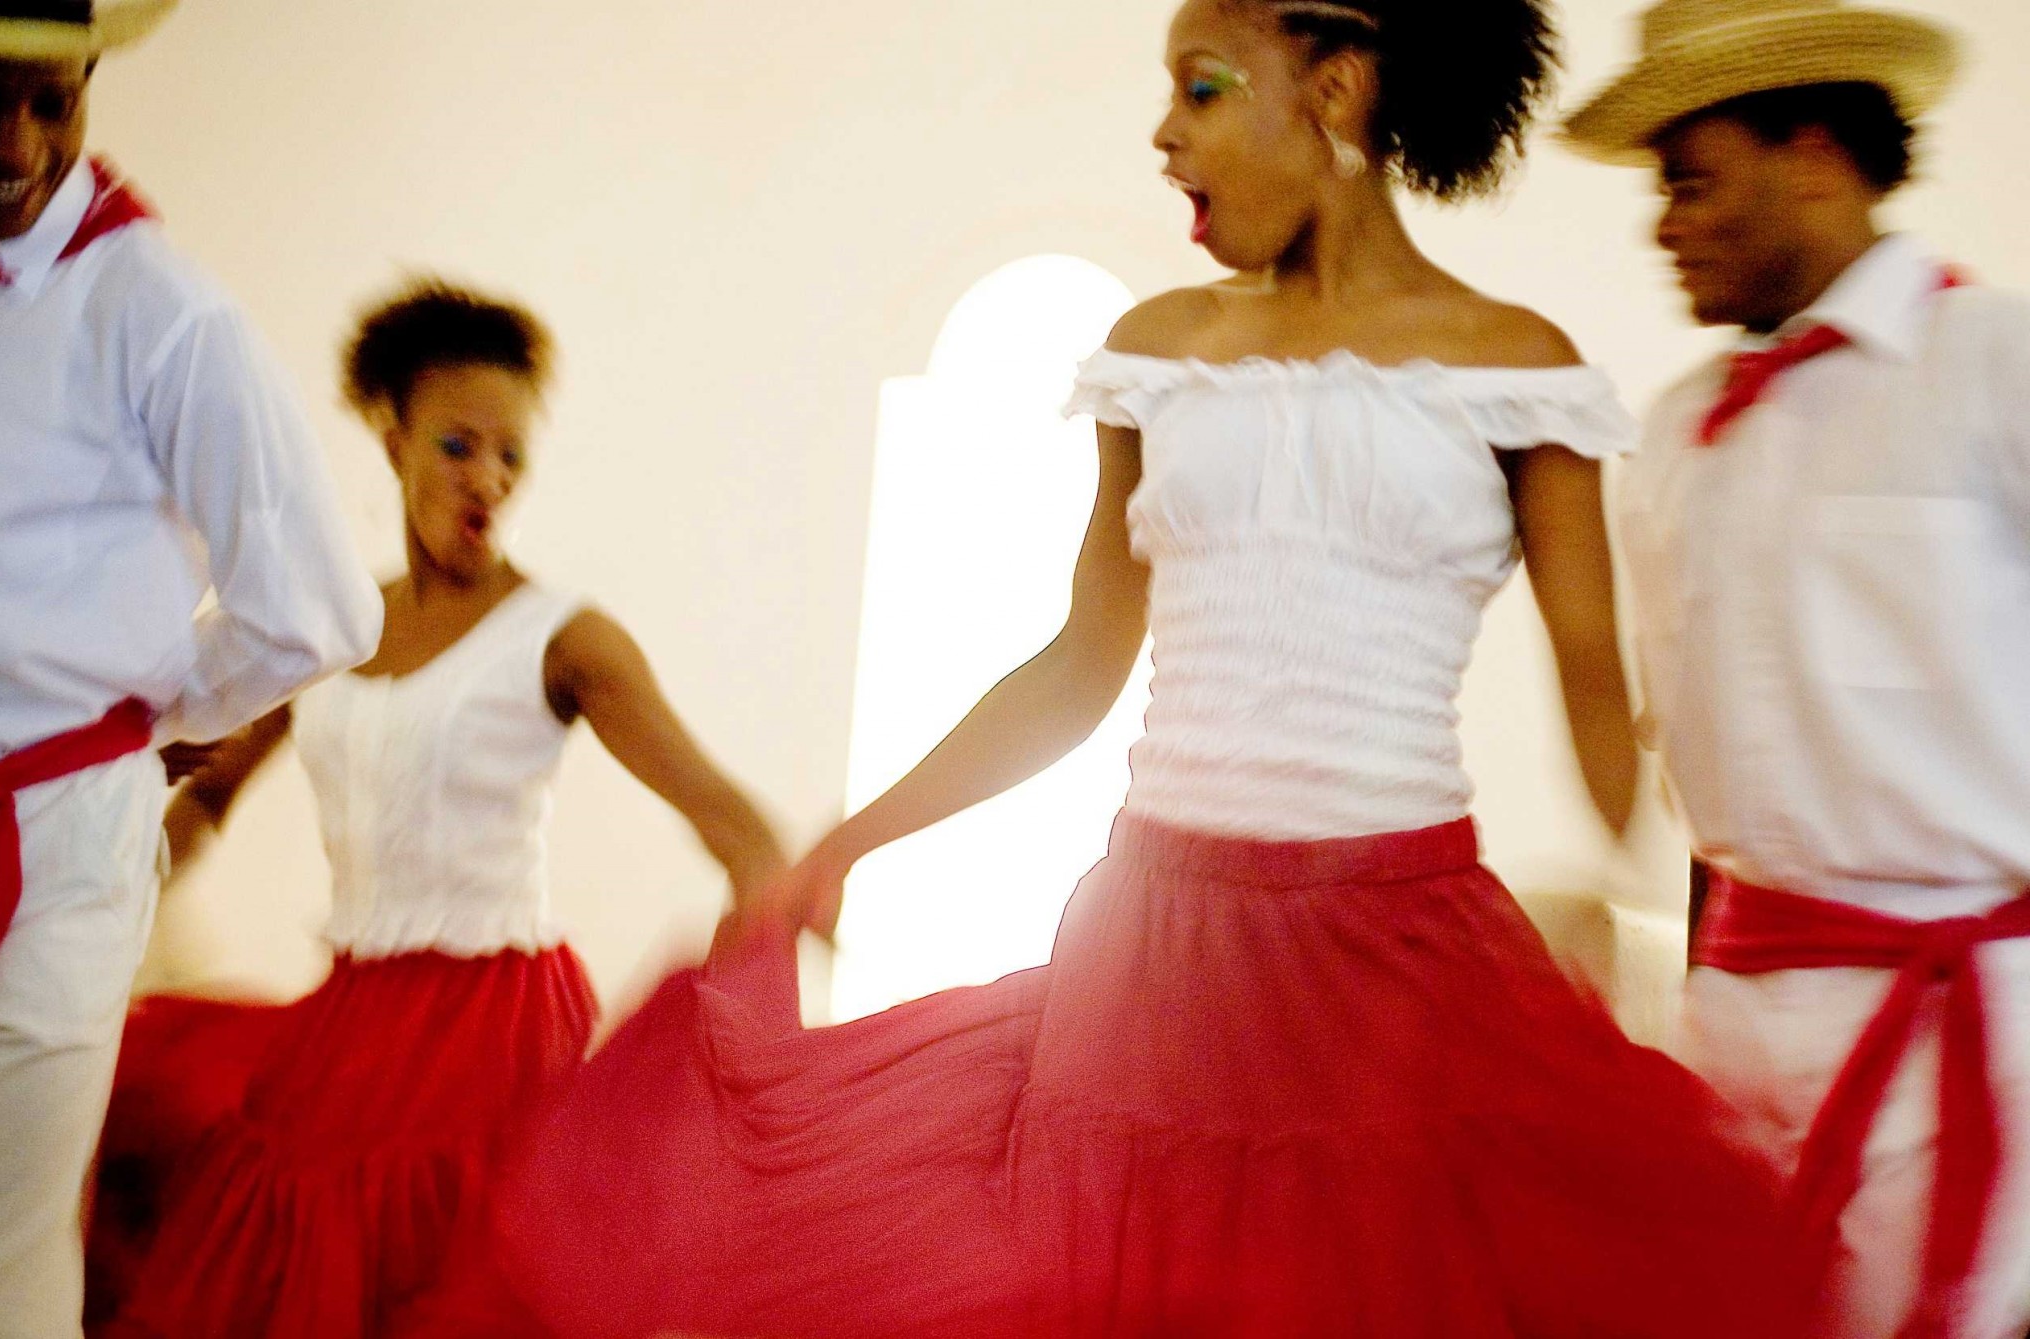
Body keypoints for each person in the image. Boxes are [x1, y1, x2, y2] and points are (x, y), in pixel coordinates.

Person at [467, 2, 1813, 1335]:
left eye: (1203, 87)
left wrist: (1649, 912)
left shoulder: (1520, 369)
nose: (1164, 133)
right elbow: (1077, 664)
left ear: (1334, 91)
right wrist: (852, 841)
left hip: (1398, 960)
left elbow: (1596, 689)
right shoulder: (1157, 353)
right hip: (1156, 950)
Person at [99, 279, 788, 1338]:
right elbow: (210, 797)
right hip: (351, 1021)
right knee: (276, 1238)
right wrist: (104, 899)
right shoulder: (329, 624)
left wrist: (767, 945)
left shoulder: (565, 637)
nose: (489, 479)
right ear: (394, 442)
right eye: (459, 446)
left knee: (450, 1273)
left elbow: (731, 821)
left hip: (493, 1023)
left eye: (511, 455)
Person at [1564, 2, 2030, 1335]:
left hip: (1953, 1015)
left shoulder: (1996, 364)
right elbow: (1691, 740)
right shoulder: (1678, 433)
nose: (1663, 226)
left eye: (1691, 181)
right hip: (1732, 1012)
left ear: (1814, 157)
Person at [0, 2, 383, 1332]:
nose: (14, 143)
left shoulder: (161, 311)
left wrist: (152, 716)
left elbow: (316, 608)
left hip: (49, 831)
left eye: (51, 101)